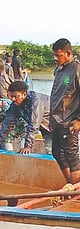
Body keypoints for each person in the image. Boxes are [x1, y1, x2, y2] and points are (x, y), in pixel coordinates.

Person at [0, 81, 50, 154]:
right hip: (44, 129)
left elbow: (34, 124)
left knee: (54, 153)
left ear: (24, 94)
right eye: (10, 96)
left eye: (15, 96)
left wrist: (27, 146)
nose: (13, 99)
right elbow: (7, 123)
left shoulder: (36, 102)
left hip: (57, 127)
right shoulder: (15, 105)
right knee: (50, 151)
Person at [49, 38, 80, 184]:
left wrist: (79, 120)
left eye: (58, 55)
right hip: (57, 120)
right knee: (57, 153)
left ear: (68, 53)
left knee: (71, 156)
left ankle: (76, 193)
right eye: (54, 55)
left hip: (70, 121)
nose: (55, 58)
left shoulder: (77, 68)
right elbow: (58, 93)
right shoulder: (59, 69)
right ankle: (70, 186)